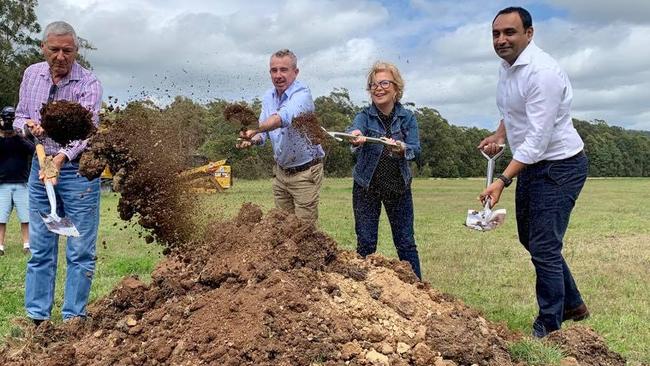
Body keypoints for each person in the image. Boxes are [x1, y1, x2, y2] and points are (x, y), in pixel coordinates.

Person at [478, 7, 589, 338]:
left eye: (509, 32)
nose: (501, 39)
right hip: (534, 165)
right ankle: (573, 304)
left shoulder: (543, 73)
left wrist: (501, 180)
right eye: (496, 34)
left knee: (543, 245)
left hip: (560, 165)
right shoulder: (507, 68)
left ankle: (549, 326)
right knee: (533, 239)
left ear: (529, 33)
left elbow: (537, 141)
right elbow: (514, 113)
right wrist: (500, 135)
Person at [13, 21, 102, 324]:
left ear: (76, 50)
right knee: (40, 248)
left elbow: (89, 131)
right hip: (41, 167)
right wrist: (27, 126)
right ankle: (38, 319)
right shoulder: (31, 75)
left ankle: (73, 319)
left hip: (77, 172)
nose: (61, 56)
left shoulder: (88, 83)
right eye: (54, 50)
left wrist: (61, 158)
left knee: (79, 250)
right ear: (44, 48)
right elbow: (20, 115)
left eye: (68, 50)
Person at [347, 62, 422, 280]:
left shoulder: (407, 118)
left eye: (384, 83)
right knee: (366, 242)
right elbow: (353, 129)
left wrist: (401, 148)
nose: (378, 88)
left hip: (398, 187)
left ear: (396, 88)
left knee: (406, 243)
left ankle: (419, 289)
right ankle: (360, 292)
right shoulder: (364, 115)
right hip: (366, 187)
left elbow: (416, 150)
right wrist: (355, 135)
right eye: (373, 84)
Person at [236, 49, 324, 222]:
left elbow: (281, 118)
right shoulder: (268, 97)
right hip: (281, 173)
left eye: (284, 70)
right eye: (274, 70)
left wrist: (255, 128)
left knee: (304, 231)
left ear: (295, 72)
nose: (278, 75)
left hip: (305, 172)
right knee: (282, 226)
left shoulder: (302, 95)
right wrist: (250, 139)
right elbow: (263, 134)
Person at [0, 107, 34, 256]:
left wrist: (17, 135)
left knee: (25, 216)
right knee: (1, 217)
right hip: (2, 183)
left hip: (22, 182)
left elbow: (32, 150)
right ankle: (0, 245)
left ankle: (27, 244)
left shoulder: (21, 137)